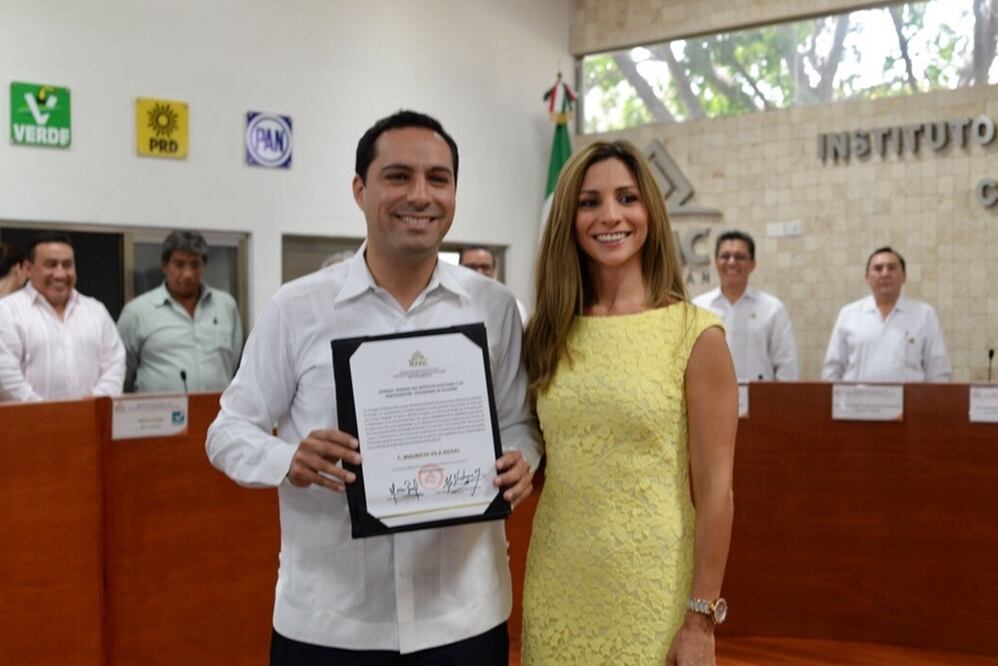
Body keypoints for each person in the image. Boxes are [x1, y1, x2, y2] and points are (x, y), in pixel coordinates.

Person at [205, 110, 541, 664]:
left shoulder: (496, 308)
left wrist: (521, 458)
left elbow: (518, 422)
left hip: (464, 617)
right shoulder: (298, 307)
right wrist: (289, 458)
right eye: (397, 176)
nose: (420, 195)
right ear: (360, 190)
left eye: (438, 179)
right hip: (331, 623)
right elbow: (226, 432)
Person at [521, 140, 737, 665]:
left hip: (653, 592)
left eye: (627, 198)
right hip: (558, 580)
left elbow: (716, 490)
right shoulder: (546, 333)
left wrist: (700, 620)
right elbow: (534, 451)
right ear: (569, 219)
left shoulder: (696, 334)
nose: (610, 216)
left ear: (650, 212)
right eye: (589, 202)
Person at [0, 232, 125, 401]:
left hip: (92, 416)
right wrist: (50, 412)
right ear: (28, 269)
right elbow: (6, 376)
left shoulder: (96, 311)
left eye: (67, 265)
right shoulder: (7, 311)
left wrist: (93, 406)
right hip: (27, 416)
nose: (60, 274)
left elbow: (115, 365)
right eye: (50, 265)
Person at [117, 230, 242, 393]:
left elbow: (234, 364)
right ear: (164, 265)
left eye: (195, 265)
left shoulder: (226, 306)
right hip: (158, 409)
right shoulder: (137, 313)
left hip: (217, 408)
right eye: (179, 264)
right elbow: (121, 375)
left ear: (204, 265)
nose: (188, 274)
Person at [822, 246, 951, 382]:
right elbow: (832, 369)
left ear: (904, 276)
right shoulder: (849, 314)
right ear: (867, 278)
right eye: (878, 268)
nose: (885, 274)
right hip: (856, 396)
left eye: (892, 268)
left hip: (909, 396)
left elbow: (938, 371)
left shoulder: (925, 314)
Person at [692, 230, 798, 381]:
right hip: (709, 395)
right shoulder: (697, 308)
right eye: (725, 256)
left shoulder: (773, 309)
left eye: (739, 257)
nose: (731, 262)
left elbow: (786, 366)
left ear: (752, 264)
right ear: (716, 262)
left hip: (760, 396)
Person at [459, 245, 529, 324]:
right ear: (459, 269)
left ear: (493, 270)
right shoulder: (449, 303)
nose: (479, 272)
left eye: (485, 267)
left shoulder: (511, 306)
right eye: (471, 267)